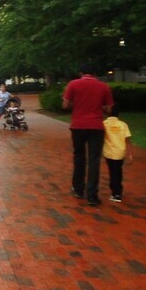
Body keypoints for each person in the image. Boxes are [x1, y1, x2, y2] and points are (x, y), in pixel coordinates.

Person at [62, 63, 114, 206]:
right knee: (94, 159)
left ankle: (78, 189)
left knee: (79, 156)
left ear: (81, 72)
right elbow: (109, 109)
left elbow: (65, 106)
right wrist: (97, 107)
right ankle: (92, 195)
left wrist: (78, 105)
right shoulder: (104, 86)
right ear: (95, 74)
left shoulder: (73, 84)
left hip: (78, 125)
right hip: (96, 126)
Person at [103, 104, 133, 203]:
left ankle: (116, 192)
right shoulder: (123, 125)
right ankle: (118, 190)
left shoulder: (104, 124)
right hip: (120, 153)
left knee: (112, 171)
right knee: (118, 171)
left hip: (109, 152)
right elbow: (128, 139)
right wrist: (130, 154)